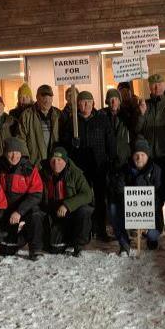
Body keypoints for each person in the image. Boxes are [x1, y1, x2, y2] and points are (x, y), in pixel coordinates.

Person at [62, 90, 115, 240]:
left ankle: (101, 230)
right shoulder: (72, 122)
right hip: (80, 166)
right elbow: (64, 143)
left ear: (93, 103)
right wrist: (71, 143)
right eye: (82, 102)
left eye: (89, 102)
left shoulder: (102, 119)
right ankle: (84, 229)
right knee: (82, 197)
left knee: (99, 198)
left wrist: (111, 159)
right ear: (78, 104)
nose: (86, 105)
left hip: (99, 165)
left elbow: (110, 140)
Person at [109, 139, 163, 256]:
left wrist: (145, 213)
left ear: (147, 156)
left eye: (143, 155)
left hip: (150, 212)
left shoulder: (156, 170)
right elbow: (119, 190)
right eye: (136, 155)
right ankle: (124, 244)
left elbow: (159, 195)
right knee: (113, 207)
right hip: (130, 209)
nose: (139, 158)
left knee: (153, 235)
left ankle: (151, 238)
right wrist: (131, 209)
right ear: (132, 156)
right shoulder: (125, 169)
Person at [39, 147, 94, 256]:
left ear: (65, 161)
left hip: (71, 212)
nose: (56, 163)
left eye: (59, 160)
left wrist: (67, 205)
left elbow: (87, 195)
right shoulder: (42, 173)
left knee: (86, 210)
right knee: (55, 249)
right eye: (53, 160)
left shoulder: (75, 173)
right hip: (52, 213)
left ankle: (79, 246)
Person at [0, 138, 44, 260]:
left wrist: (19, 211)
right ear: (5, 153)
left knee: (36, 214)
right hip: (7, 209)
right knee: (6, 251)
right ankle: (21, 239)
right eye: (10, 152)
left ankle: (35, 249)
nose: (14, 156)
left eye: (17, 152)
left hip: (25, 207)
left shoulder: (29, 169)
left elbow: (37, 194)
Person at [17, 84, 62, 165]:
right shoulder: (26, 115)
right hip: (34, 164)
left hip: (55, 163)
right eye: (44, 98)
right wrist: (26, 160)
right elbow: (21, 140)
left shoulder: (58, 114)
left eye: (50, 98)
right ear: (37, 97)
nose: (47, 101)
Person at [99, 88, 132, 168]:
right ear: (107, 101)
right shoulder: (101, 115)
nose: (114, 102)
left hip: (123, 157)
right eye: (111, 99)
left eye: (116, 99)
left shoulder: (126, 115)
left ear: (120, 101)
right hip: (107, 158)